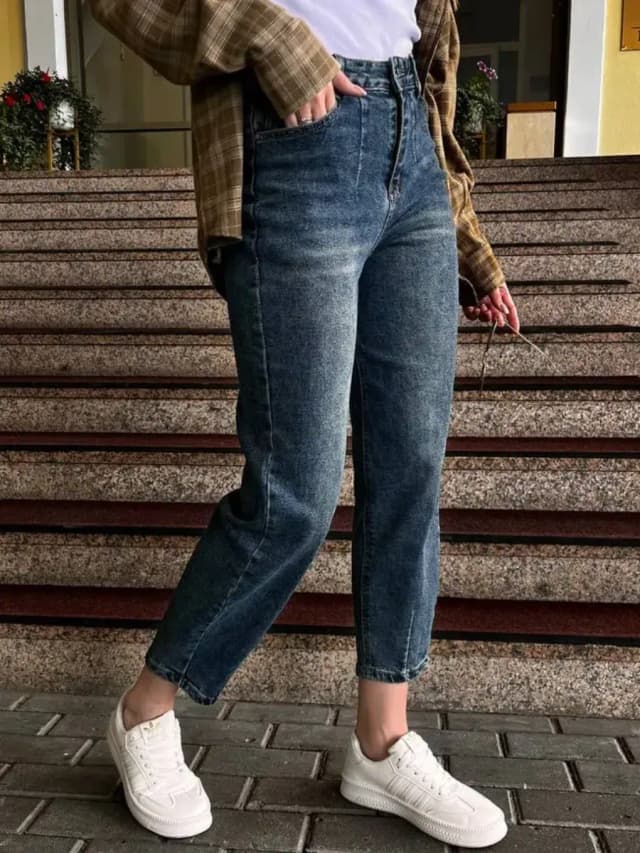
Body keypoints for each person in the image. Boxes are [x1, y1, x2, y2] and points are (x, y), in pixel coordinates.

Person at [90, 0, 519, 847]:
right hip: (293, 135)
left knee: (410, 471)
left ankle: (382, 741)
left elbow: (430, 51)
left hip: (415, 154)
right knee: (296, 491)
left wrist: (468, 241)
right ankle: (144, 710)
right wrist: (263, 32)